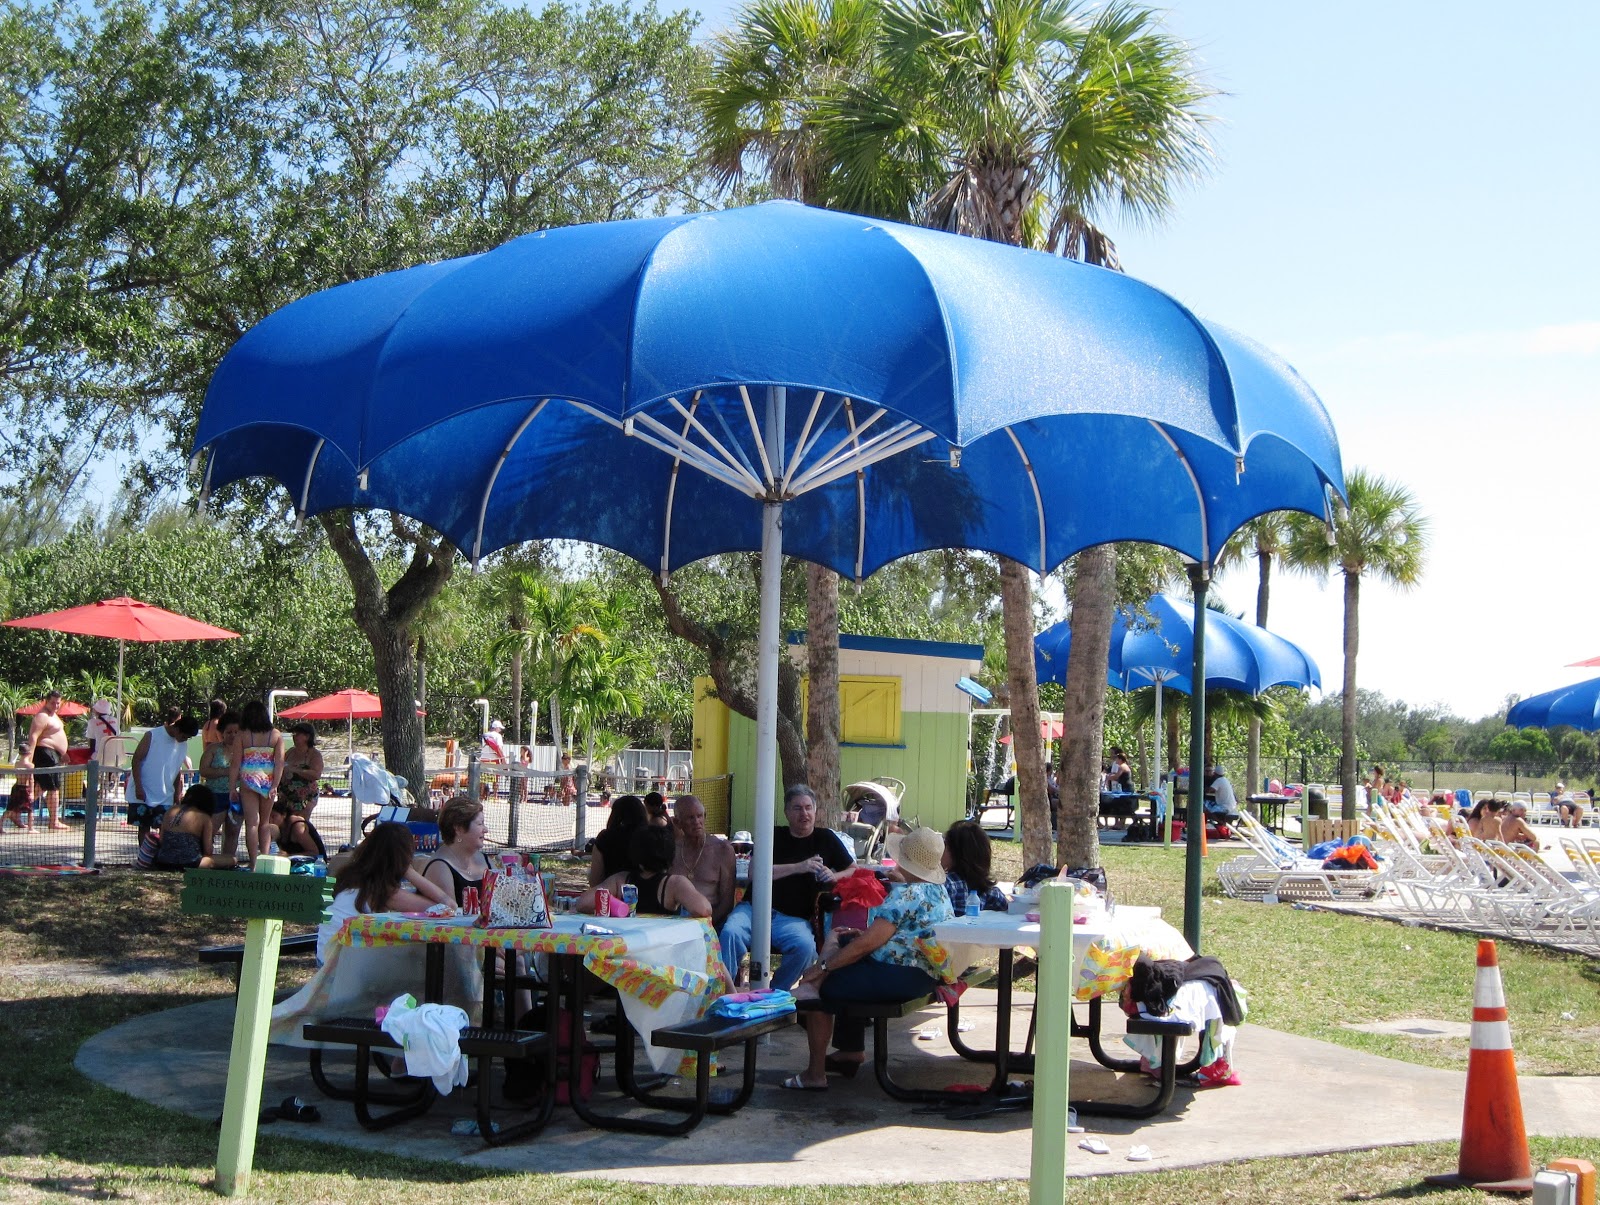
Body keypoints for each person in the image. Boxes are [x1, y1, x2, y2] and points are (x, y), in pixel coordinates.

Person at [784, 826, 954, 1089]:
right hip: (924, 974)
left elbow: (868, 945)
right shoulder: (939, 893)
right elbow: (889, 937)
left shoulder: (907, 894)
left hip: (898, 976)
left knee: (822, 989)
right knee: (846, 947)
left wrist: (824, 966)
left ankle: (815, 1074)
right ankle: (849, 1050)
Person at [719, 784, 853, 990]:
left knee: (806, 948)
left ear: (816, 810)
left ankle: (773, 995)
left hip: (793, 919)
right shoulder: (773, 836)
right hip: (754, 909)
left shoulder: (825, 838)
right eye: (797, 808)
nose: (804, 813)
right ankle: (724, 992)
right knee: (730, 933)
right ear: (786, 812)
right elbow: (754, 873)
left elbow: (853, 869)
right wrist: (799, 867)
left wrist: (834, 875)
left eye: (808, 807)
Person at [318, 822, 451, 964]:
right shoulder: (383, 891)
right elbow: (447, 906)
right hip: (343, 967)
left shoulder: (350, 876)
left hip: (326, 960)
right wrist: (410, 872)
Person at [583, 824, 711, 917]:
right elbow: (703, 909)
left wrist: (616, 907)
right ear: (671, 854)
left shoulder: (621, 880)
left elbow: (583, 902)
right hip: (661, 947)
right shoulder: (674, 884)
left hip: (627, 946)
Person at [127, 711, 201, 841]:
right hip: (143, 793)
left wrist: (177, 794)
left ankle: (160, 858)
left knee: (165, 828)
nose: (184, 740)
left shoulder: (183, 745)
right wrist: (138, 787)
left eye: (187, 738)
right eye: (184, 736)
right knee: (144, 828)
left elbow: (177, 769)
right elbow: (136, 759)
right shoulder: (152, 735)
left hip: (165, 795)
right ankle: (145, 859)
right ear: (177, 728)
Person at [230, 700, 283, 867]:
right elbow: (280, 762)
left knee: (252, 823)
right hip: (268, 780)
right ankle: (265, 861)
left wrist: (232, 787)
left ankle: (253, 863)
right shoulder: (275, 735)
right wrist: (275, 785)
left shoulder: (242, 735)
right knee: (265, 823)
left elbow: (235, 764)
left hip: (248, 779)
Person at [670, 794, 736, 927]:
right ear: (677, 822)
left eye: (699, 816)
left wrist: (705, 925)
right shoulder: (671, 850)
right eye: (690, 818)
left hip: (709, 923)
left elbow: (727, 902)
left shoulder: (722, 850)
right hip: (673, 925)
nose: (696, 822)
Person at [423, 794, 493, 906]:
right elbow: (449, 916)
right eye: (480, 824)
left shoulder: (485, 860)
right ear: (459, 828)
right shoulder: (440, 867)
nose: (486, 830)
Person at [151, 785, 236, 870]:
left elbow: (161, 840)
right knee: (232, 859)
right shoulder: (204, 817)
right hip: (191, 863)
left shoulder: (170, 810)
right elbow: (208, 851)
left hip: (163, 862)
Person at [25, 691, 70, 831]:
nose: (56, 705)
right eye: (53, 703)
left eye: (58, 703)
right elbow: (33, 737)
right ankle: (54, 821)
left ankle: (14, 812)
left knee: (38, 788)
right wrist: (28, 759)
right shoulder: (42, 716)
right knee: (53, 788)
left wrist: (63, 753)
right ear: (46, 701)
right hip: (46, 754)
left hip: (52, 754)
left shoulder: (53, 715)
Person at [942, 819, 1009, 913]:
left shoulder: (945, 885)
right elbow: (1009, 910)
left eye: (944, 845)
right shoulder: (991, 893)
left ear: (956, 853)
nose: (940, 851)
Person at [199, 709, 240, 857]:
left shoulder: (245, 752)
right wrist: (226, 771)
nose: (233, 735)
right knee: (211, 831)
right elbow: (204, 770)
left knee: (233, 832)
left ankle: (227, 862)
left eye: (236, 732)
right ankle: (205, 859)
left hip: (236, 797)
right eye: (229, 732)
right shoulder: (213, 749)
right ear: (222, 733)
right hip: (215, 796)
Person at [589, 794, 648, 885]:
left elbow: (595, 881)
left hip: (611, 893)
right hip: (647, 893)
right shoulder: (650, 837)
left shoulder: (605, 838)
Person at [278, 723, 325, 820]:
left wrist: (297, 770)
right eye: (293, 734)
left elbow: (316, 774)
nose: (294, 737)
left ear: (307, 736)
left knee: (299, 823)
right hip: (286, 796)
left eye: (297, 734)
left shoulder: (314, 754)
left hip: (306, 798)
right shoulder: (290, 752)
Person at [5, 750, 33, 832]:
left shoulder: (17, 764)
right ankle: (31, 828)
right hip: (25, 788)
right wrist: (31, 792)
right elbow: (31, 779)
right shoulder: (30, 765)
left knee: (10, 808)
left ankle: (0, 824)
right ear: (29, 753)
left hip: (16, 787)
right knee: (30, 809)